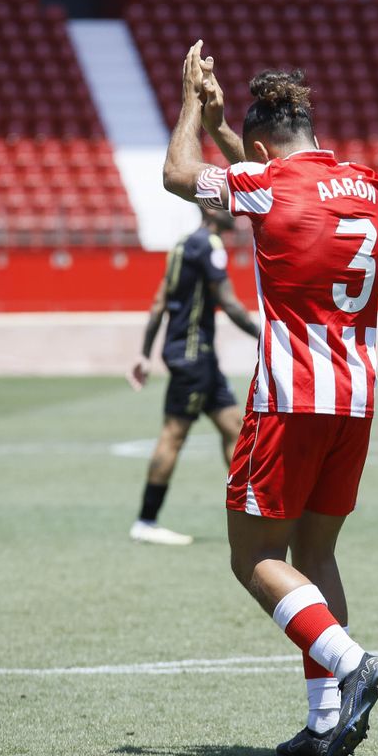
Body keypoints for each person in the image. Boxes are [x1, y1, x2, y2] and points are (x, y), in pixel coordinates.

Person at [161, 40, 378, 756]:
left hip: (290, 398)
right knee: (316, 552)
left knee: (253, 556)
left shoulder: (266, 188)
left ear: (259, 147)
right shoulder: (364, 184)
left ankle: (354, 665)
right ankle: (327, 722)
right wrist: (238, 134)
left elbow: (178, 175)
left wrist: (195, 107)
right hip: (355, 399)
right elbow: (276, 173)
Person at [128, 207, 260, 546]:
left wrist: (145, 352)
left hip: (198, 358)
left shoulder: (182, 245)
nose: (237, 211)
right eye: (229, 203)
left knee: (234, 427)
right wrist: (267, 338)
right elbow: (229, 303)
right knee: (173, 435)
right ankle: (146, 521)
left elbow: (160, 303)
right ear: (212, 209)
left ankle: (250, 515)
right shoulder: (210, 245)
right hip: (193, 356)